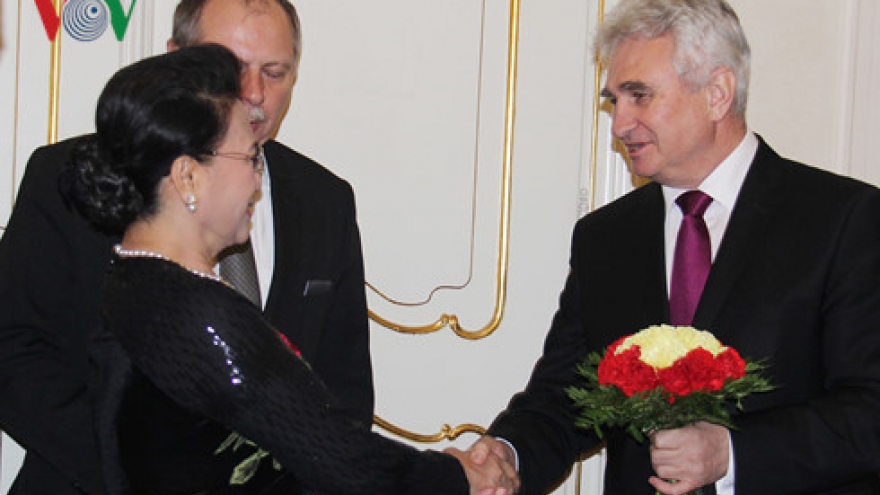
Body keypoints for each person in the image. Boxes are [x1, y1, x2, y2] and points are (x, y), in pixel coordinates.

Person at [463, 0, 880, 494]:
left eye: (639, 96)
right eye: (614, 100)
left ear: (717, 94)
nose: (619, 124)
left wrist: (731, 453)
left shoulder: (843, 219)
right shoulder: (604, 238)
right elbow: (565, 399)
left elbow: (870, 409)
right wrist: (505, 456)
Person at [60, 43, 515, 495]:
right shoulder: (200, 313)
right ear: (188, 176)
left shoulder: (135, 280)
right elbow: (337, 456)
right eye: (249, 157)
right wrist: (458, 477)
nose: (258, 180)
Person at [0, 1, 374, 494]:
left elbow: (343, 398)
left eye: (274, 72)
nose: (253, 93)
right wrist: (142, 473)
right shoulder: (67, 177)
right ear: (175, 59)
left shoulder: (324, 200)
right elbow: (13, 352)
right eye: (231, 68)